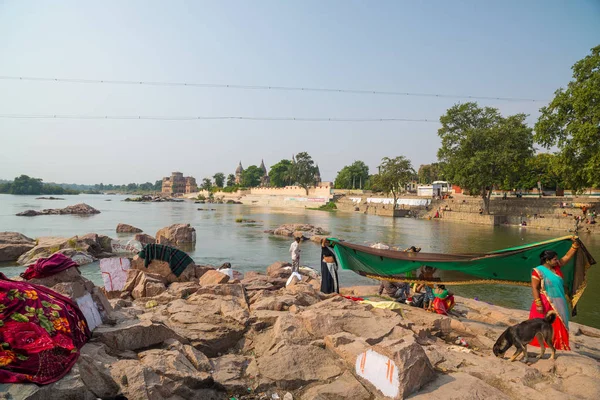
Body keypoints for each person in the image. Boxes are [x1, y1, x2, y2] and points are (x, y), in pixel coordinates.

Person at [529, 241, 579, 351]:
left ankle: (559, 345)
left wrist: (575, 246)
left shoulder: (556, 268)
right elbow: (535, 288)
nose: (557, 261)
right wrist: (538, 304)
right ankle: (542, 344)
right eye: (555, 259)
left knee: (560, 324)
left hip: (559, 301)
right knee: (542, 325)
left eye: (557, 259)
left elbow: (566, 257)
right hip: (545, 301)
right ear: (547, 260)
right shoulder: (538, 271)